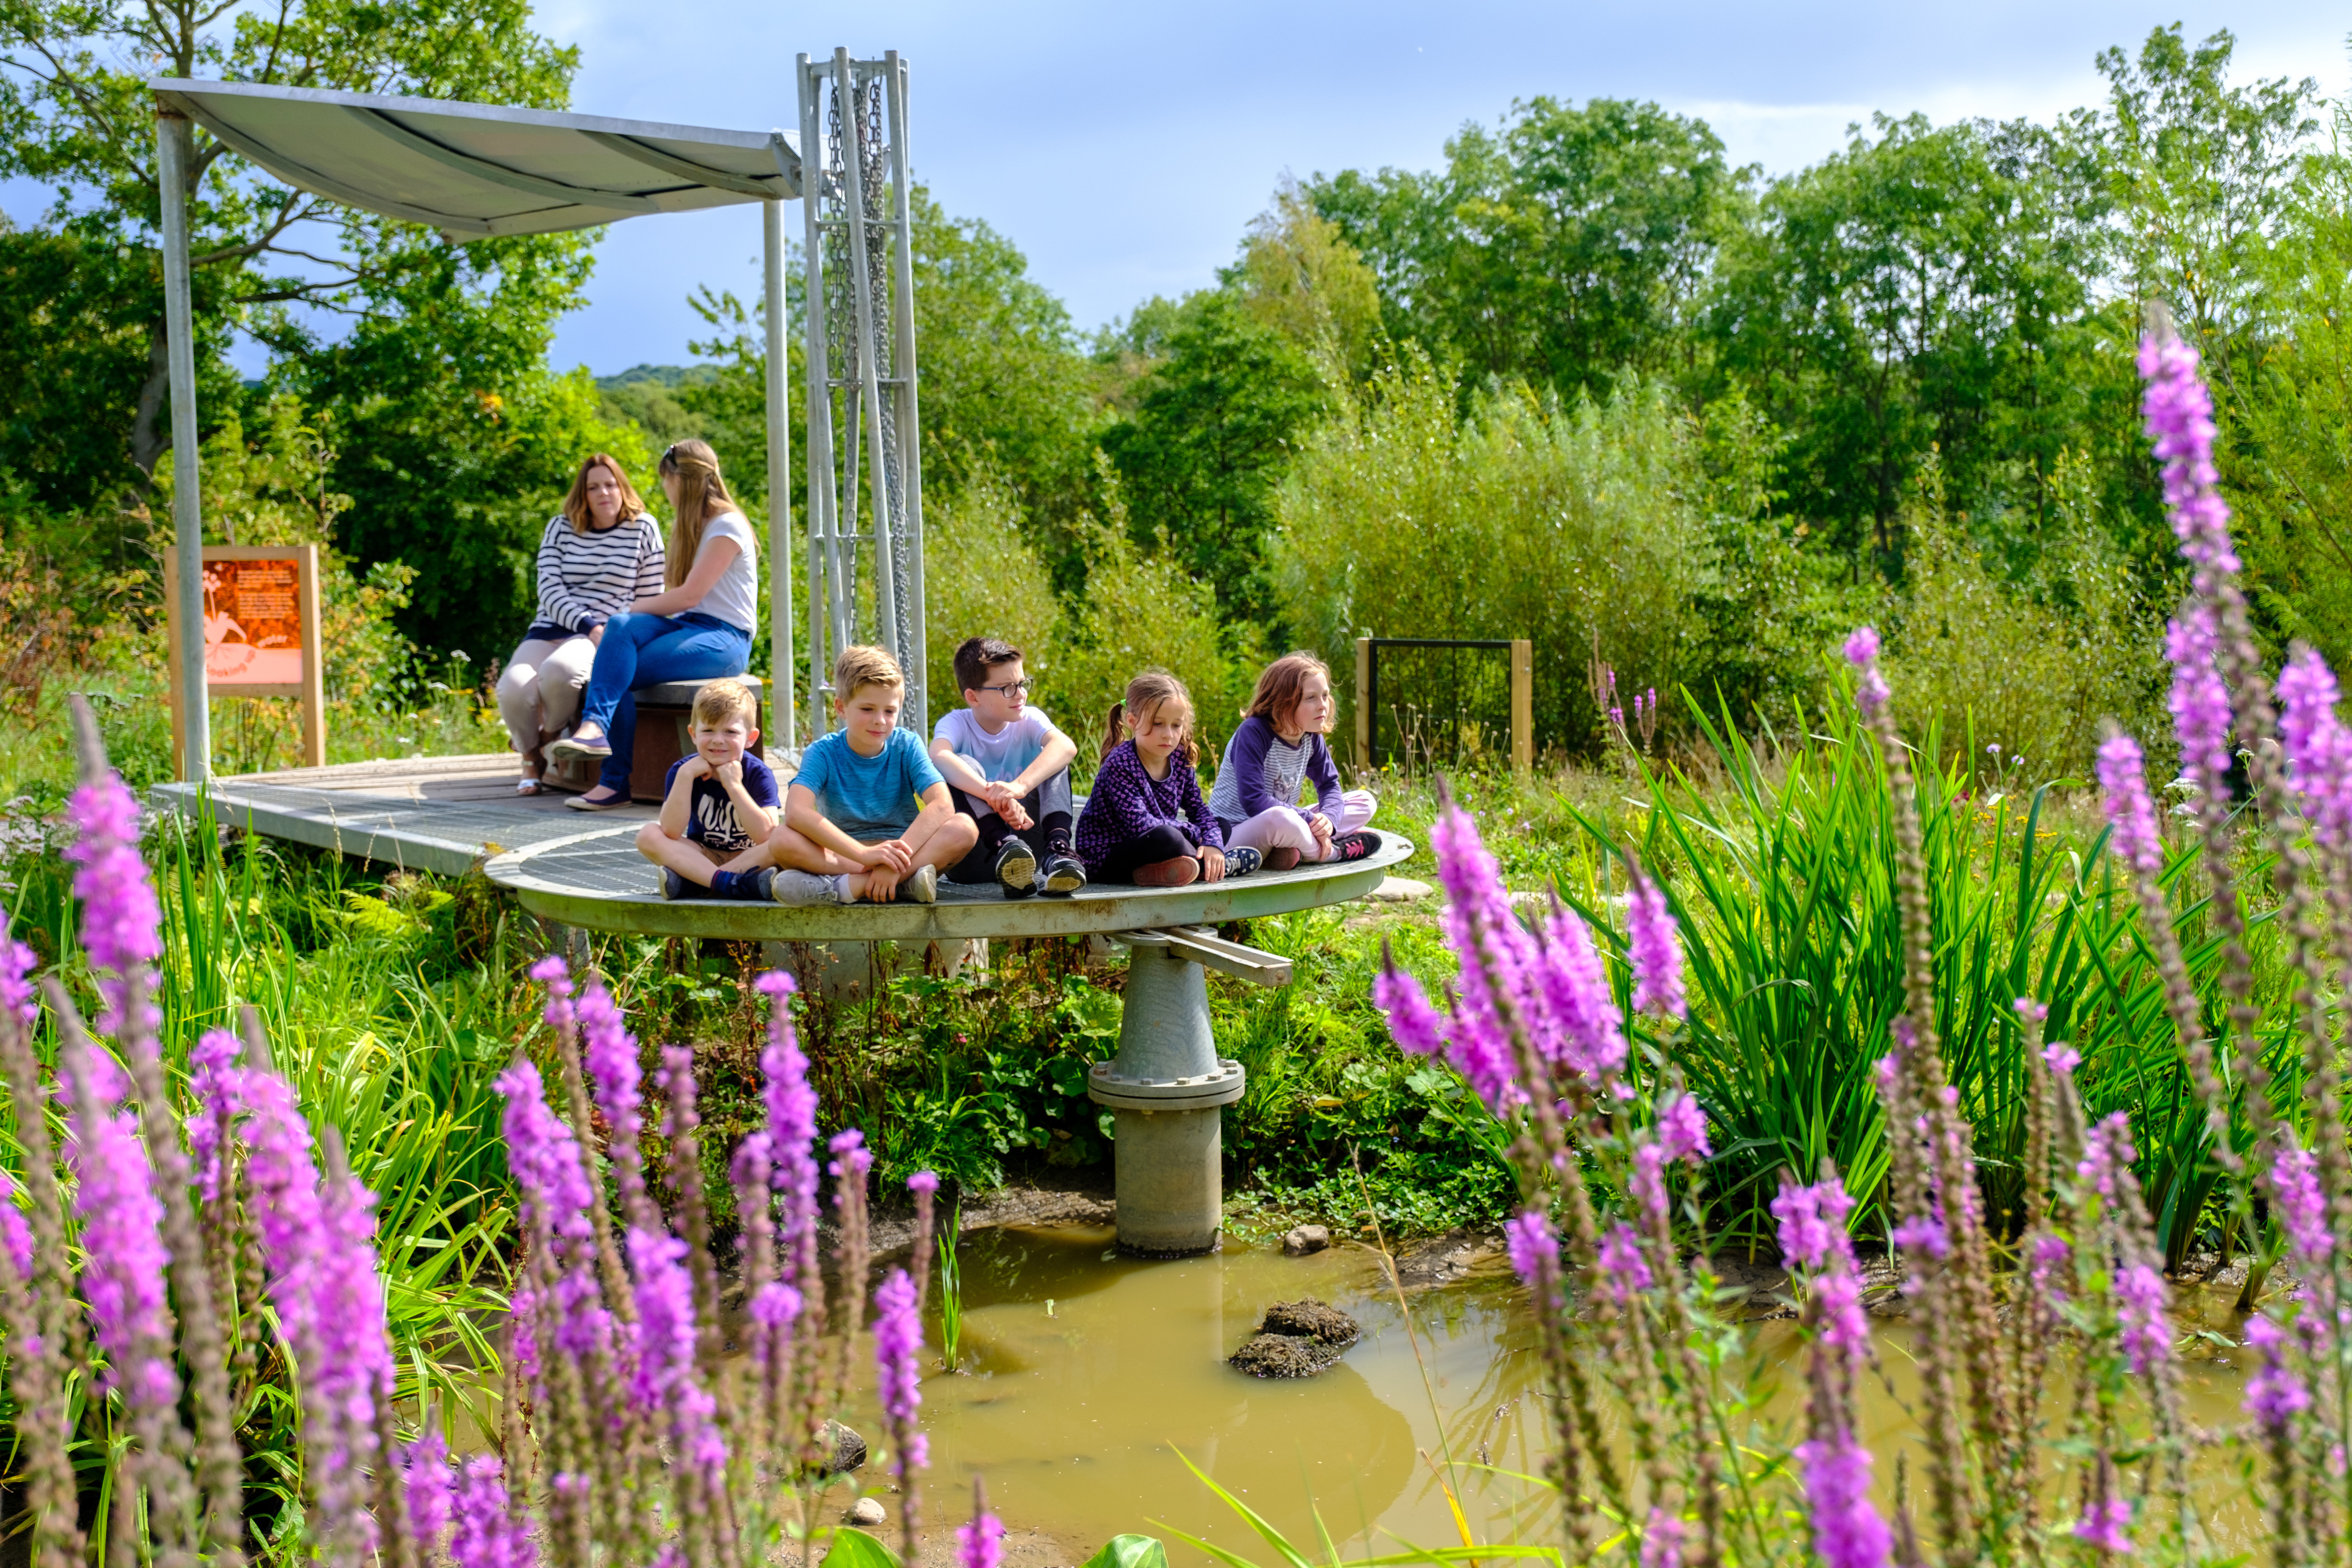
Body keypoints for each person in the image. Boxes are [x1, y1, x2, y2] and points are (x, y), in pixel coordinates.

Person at [549, 439, 756, 808]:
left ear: (681, 480)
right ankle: (596, 731)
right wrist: (627, 614)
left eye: (666, 480)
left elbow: (690, 595)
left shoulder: (727, 526)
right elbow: (683, 604)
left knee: (616, 667)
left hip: (726, 638)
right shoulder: (695, 524)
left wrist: (633, 604)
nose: (665, 488)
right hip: (689, 625)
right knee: (621, 628)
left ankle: (613, 781)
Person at [758, 644, 980, 905]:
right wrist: (865, 855)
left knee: (964, 828)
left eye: (889, 711)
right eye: (867, 709)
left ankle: (850, 888)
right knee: (781, 838)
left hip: (903, 850)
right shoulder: (823, 752)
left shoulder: (907, 744)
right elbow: (797, 812)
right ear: (841, 708)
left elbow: (943, 804)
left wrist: (891, 865)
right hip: (847, 854)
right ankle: (906, 885)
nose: (880, 720)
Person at [497, 454, 664, 795]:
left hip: (607, 633)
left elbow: (651, 594)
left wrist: (614, 632)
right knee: (512, 689)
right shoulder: (560, 527)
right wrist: (588, 625)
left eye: (610, 484)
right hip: (554, 627)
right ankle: (532, 758)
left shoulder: (643, 528)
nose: (603, 492)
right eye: (593, 487)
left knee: (561, 673)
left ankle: (544, 739)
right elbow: (548, 589)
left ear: (623, 487)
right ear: (583, 494)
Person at [931, 636, 1087, 898]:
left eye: (1022, 684)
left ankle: (1058, 850)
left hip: (1027, 853)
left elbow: (1066, 746)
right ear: (973, 696)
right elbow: (938, 755)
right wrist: (996, 797)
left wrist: (1017, 788)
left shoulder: (1029, 718)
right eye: (1007, 687)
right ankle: (1002, 842)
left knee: (1053, 759)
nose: (1021, 694)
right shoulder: (956, 724)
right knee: (959, 766)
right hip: (974, 857)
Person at [1075, 671, 1261, 887]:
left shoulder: (1180, 757)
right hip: (1108, 857)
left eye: (1176, 725)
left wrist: (1212, 842)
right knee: (1167, 837)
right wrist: (1197, 834)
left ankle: (1184, 867)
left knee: (1221, 826)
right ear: (1132, 721)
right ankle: (1217, 867)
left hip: (1159, 848)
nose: (1168, 735)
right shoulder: (1121, 763)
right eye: (1158, 724)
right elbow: (1141, 826)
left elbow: (1198, 809)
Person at [1209, 651, 1381, 869]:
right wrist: (1309, 819)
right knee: (1280, 818)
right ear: (1283, 703)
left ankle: (1295, 849)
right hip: (1235, 835)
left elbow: (1329, 785)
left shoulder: (1310, 736)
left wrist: (1328, 821)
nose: (1323, 706)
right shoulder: (1253, 732)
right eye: (1311, 698)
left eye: (1325, 696)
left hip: (1285, 826)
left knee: (1365, 801)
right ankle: (1332, 853)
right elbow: (1254, 801)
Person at [637, 679, 782, 901]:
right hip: (704, 856)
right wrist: (686, 777)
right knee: (648, 835)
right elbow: (671, 831)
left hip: (751, 857)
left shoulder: (758, 773)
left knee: (784, 841)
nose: (718, 740)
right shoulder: (682, 771)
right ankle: (733, 884)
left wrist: (734, 785)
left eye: (730, 732)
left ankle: (698, 883)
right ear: (693, 734)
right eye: (708, 730)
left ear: (751, 738)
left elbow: (766, 835)